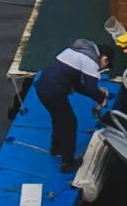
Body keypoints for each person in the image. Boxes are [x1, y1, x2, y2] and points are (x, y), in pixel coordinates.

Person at [34, 36, 109, 170]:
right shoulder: (91, 61)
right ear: (104, 59)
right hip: (55, 92)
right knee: (70, 123)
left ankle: (56, 148)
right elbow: (91, 89)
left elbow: (78, 86)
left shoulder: (73, 52)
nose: (101, 68)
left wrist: (98, 93)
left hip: (42, 88)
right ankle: (67, 163)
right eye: (105, 65)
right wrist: (101, 98)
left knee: (59, 118)